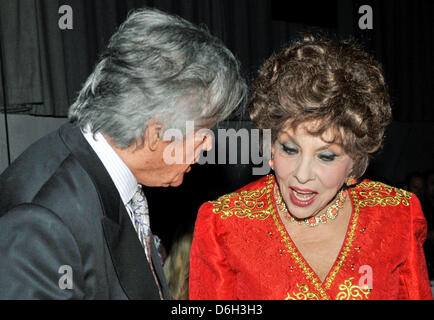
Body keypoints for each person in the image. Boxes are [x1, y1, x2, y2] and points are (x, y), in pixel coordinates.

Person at [0, 8, 246, 299]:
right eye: (204, 131)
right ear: (156, 134)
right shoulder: (42, 223)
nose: (208, 145)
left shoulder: (104, 168)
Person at [189, 35, 432, 300]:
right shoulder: (225, 225)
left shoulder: (397, 215)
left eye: (326, 156)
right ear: (270, 146)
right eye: (289, 149)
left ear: (356, 162)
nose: (301, 175)